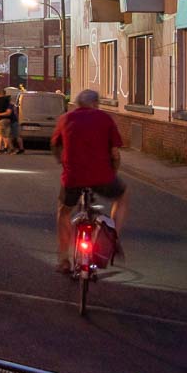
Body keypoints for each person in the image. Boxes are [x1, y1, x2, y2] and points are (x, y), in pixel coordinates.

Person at [51, 89, 128, 274]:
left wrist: (63, 162)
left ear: (77, 103)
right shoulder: (105, 118)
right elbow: (115, 152)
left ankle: (63, 259)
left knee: (64, 212)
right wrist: (113, 172)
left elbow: (55, 145)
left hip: (73, 177)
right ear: (95, 104)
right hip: (102, 176)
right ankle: (114, 236)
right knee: (122, 196)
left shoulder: (65, 119)